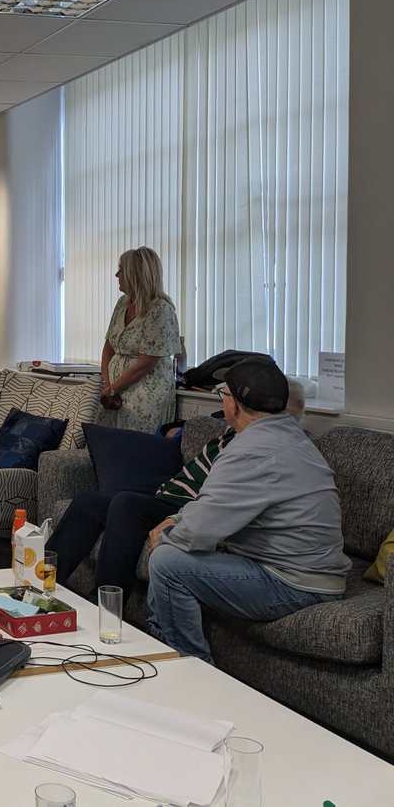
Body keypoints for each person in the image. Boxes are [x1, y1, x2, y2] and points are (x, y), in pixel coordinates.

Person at [146, 357, 350, 662]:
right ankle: (160, 647)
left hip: (295, 583)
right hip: (309, 573)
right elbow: (215, 506)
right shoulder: (289, 437)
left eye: (223, 394)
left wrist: (169, 535)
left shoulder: (250, 451)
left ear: (233, 405)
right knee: (171, 552)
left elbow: (198, 532)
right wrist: (176, 518)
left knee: (167, 562)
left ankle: (191, 670)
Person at [48, 373, 307, 598]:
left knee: (126, 504)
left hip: (187, 507)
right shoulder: (235, 431)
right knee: (88, 501)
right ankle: (39, 586)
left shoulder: (267, 448)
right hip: (166, 495)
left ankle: (105, 604)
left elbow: (221, 502)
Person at [99, 246, 182, 433]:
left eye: (121, 270)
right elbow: (108, 348)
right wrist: (106, 386)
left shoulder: (160, 309)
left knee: (134, 448)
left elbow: (146, 362)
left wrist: (113, 390)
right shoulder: (122, 303)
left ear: (135, 274)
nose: (116, 275)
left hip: (143, 393)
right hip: (113, 391)